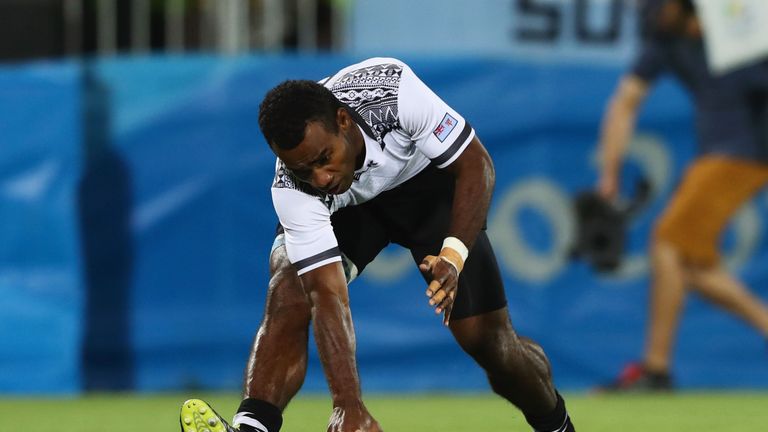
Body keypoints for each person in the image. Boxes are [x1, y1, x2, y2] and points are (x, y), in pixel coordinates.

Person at [179, 58, 576, 432]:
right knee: (290, 288)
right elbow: (326, 294)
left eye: (324, 157)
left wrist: (454, 256)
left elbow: (476, 164)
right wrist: (347, 405)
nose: (320, 177)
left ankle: (556, 425)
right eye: (304, 169)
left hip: (423, 190)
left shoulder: (392, 90)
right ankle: (253, 426)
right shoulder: (293, 188)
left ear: (343, 121)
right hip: (350, 209)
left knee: (489, 343)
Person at [596, 0, 768, 390]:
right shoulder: (666, 39)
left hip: (744, 154)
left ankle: (657, 369)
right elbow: (625, 102)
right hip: (721, 154)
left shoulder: (740, 23)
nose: (651, 8)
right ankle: (656, 369)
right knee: (686, 262)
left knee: (670, 244)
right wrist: (609, 173)